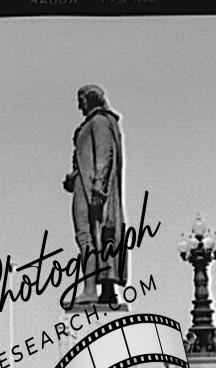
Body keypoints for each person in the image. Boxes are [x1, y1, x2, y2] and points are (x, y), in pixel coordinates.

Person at [63, 84, 128, 305]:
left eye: (80, 100)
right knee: (96, 235)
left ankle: (90, 288)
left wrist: (99, 187)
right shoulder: (92, 123)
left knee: (87, 235)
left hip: (90, 187)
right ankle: (106, 291)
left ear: (90, 98)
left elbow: (104, 154)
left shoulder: (99, 122)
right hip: (83, 182)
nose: (78, 105)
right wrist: (72, 177)